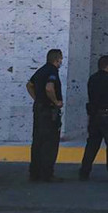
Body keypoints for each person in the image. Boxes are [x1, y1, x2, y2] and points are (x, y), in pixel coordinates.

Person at [27, 49, 64, 182]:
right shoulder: (52, 71)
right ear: (57, 59)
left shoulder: (41, 70)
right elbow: (49, 88)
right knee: (50, 143)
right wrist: (55, 102)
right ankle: (47, 174)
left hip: (39, 109)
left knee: (38, 141)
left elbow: (29, 85)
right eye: (61, 59)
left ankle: (35, 172)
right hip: (49, 112)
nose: (61, 62)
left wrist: (37, 99)